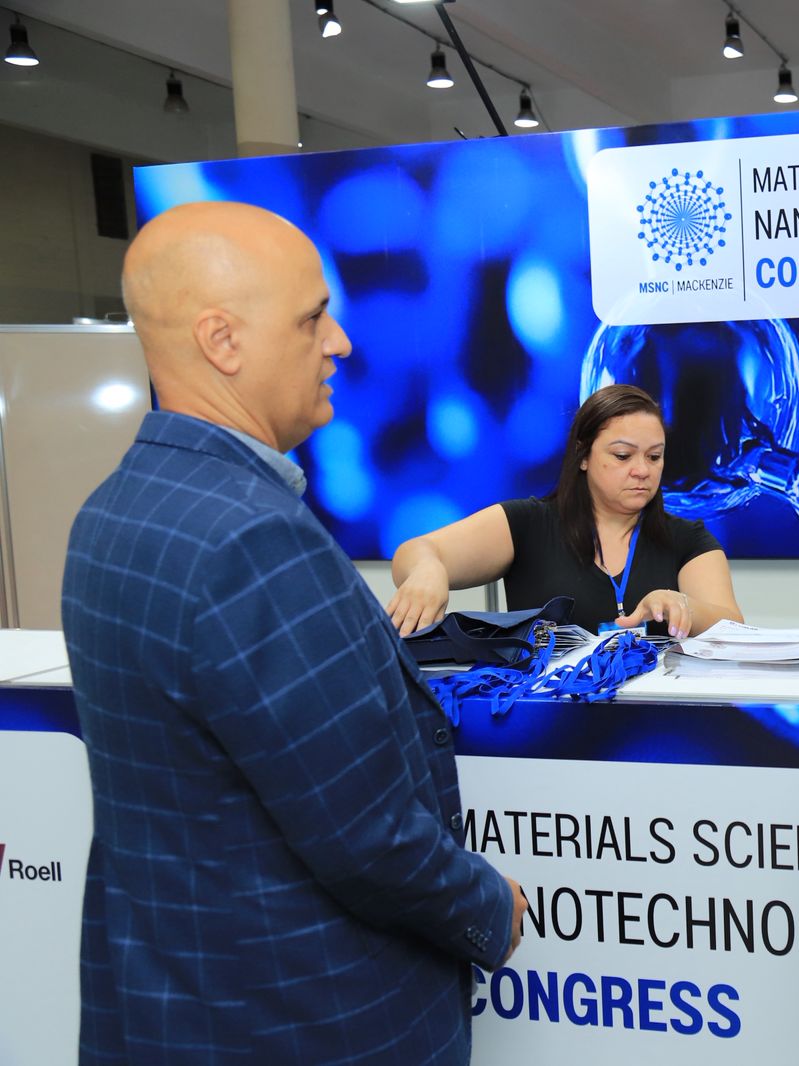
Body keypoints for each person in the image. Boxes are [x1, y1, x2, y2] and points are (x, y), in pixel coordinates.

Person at [61, 201, 527, 1065]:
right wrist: (489, 908)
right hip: (309, 1016)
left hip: (173, 1007)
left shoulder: (111, 513)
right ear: (222, 341)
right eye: (313, 318)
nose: (339, 342)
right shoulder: (254, 541)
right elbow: (367, 836)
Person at [388, 383, 742, 638]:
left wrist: (683, 606)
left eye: (654, 456)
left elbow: (734, 628)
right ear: (583, 455)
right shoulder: (529, 524)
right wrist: (428, 570)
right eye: (622, 456)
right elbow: (415, 551)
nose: (642, 470)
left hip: (656, 716)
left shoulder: (688, 539)